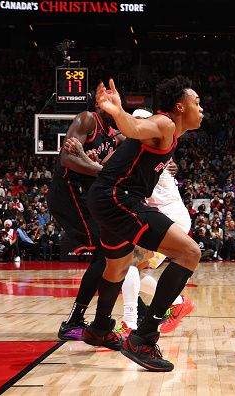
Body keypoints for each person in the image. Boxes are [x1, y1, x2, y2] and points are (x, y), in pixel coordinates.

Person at [85, 76, 203, 372]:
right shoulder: (164, 124)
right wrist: (116, 110)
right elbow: (135, 127)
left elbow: (128, 143)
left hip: (107, 198)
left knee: (119, 266)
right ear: (180, 106)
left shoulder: (171, 134)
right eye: (197, 103)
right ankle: (144, 337)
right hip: (118, 198)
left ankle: (100, 328)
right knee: (189, 253)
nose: (201, 109)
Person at [47, 87, 123, 342]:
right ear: (100, 102)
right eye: (110, 99)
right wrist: (98, 169)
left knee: (110, 251)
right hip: (67, 192)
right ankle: (76, 320)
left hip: (85, 195)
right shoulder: (88, 119)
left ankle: (82, 319)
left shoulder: (114, 136)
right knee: (106, 250)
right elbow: (67, 159)